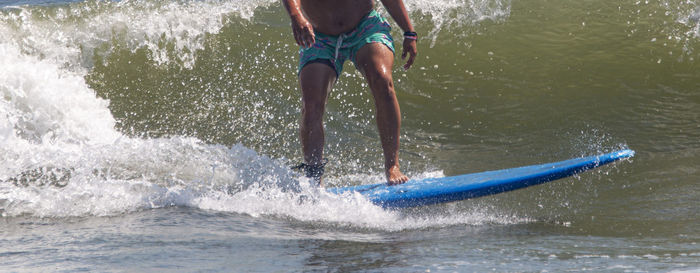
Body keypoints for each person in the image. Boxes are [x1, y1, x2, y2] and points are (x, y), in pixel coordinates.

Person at [283, 0, 417, 186]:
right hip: (318, 35)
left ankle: (392, 166)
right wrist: (296, 16)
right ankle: (314, 177)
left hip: (365, 27)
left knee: (383, 81)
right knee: (311, 105)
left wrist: (409, 32)